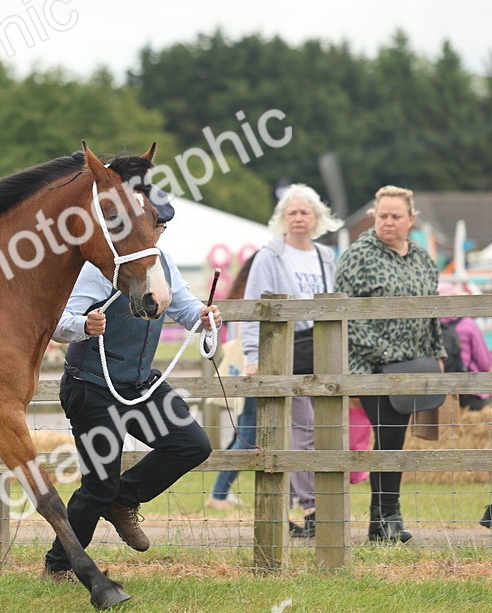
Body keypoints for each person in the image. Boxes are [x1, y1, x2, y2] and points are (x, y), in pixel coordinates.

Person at [43, 187, 220, 581]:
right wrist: (84, 325)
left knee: (192, 445)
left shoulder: (165, 265)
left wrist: (205, 317)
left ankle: (124, 499)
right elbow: (59, 321)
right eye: (154, 224)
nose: (157, 233)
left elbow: (187, 310)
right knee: (97, 486)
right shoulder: (99, 267)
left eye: (161, 226)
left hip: (140, 386)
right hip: (93, 386)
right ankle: (58, 566)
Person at [335, 185, 445, 543]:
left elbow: (433, 314)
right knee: (388, 438)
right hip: (370, 367)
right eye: (382, 215)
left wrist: (437, 355)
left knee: (394, 442)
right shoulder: (358, 256)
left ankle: (384, 519)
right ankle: (386, 518)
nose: (388, 222)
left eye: (396, 216)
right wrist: (386, 356)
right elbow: (345, 317)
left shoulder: (424, 260)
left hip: (416, 365)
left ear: (411, 220)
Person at [240, 184, 341, 538]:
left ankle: (299, 506)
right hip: (282, 347)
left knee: (319, 427)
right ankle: (310, 505)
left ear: (317, 218)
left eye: (305, 212)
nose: (298, 218)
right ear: (282, 218)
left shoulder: (326, 256)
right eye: (292, 212)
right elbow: (254, 305)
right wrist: (253, 355)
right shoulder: (270, 256)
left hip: (321, 347)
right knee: (298, 427)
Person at [205, 253, 257, 510]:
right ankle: (218, 493)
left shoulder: (240, 293)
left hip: (246, 369)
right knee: (248, 433)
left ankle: (220, 491)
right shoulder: (251, 296)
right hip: (253, 370)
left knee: (245, 432)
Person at [437, 282, 491, 410]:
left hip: (439, 393)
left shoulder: (429, 326)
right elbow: (484, 363)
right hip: (470, 393)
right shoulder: (467, 324)